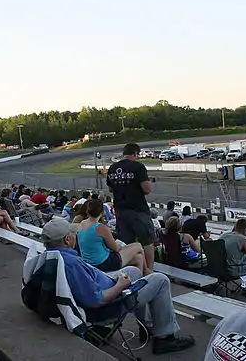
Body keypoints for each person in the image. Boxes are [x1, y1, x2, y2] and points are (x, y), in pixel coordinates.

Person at [39, 218, 196, 354]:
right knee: (161, 280)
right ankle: (164, 338)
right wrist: (121, 285)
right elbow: (96, 301)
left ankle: (146, 327)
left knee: (133, 270)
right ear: (67, 239)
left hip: (104, 283)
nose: (75, 236)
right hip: (110, 304)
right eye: (73, 234)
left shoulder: (52, 257)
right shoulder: (71, 264)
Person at [106, 143, 157, 275]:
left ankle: (132, 271)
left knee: (127, 243)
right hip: (138, 209)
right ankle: (149, 271)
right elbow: (147, 190)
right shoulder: (137, 167)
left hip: (120, 210)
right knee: (147, 240)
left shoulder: (112, 168)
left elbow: (111, 189)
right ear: (135, 154)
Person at [74, 197, 147, 273]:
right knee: (138, 246)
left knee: (139, 258)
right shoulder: (101, 228)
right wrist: (121, 246)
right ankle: (146, 270)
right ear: (102, 212)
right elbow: (116, 248)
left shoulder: (82, 224)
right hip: (103, 263)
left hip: (90, 262)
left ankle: (139, 278)